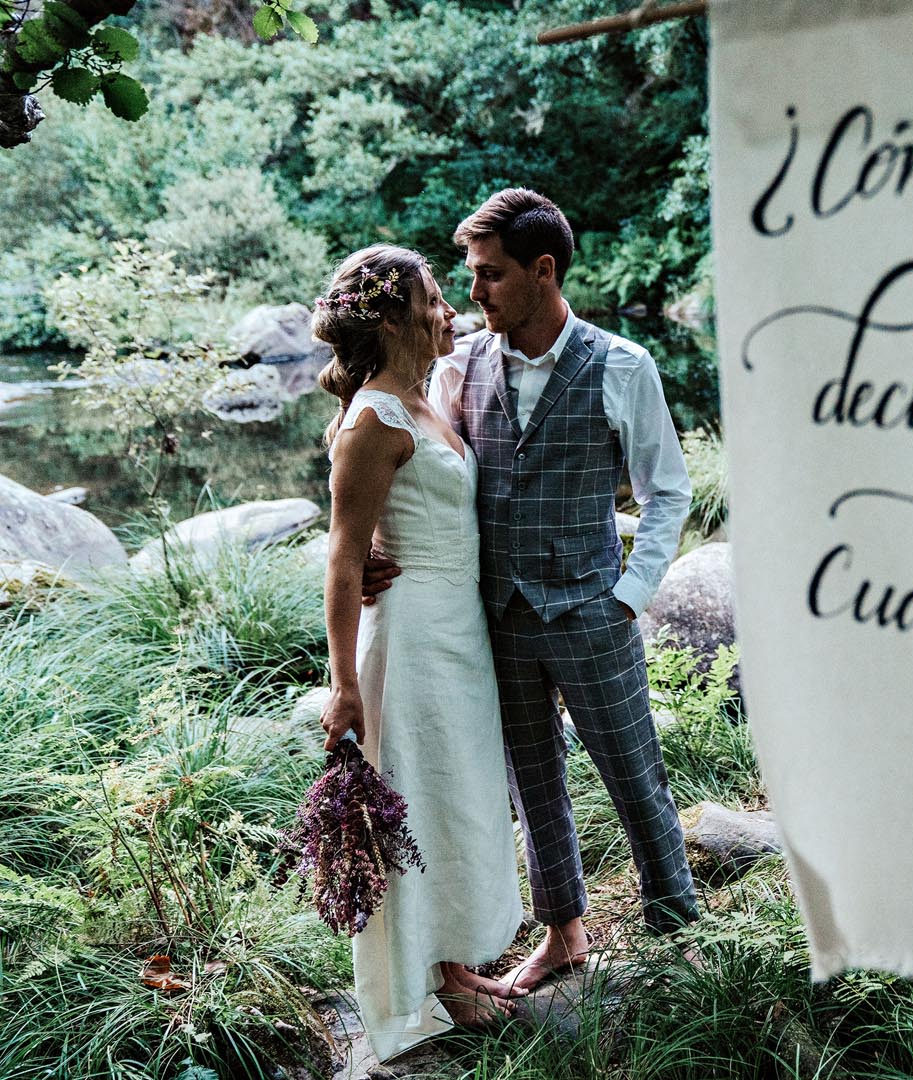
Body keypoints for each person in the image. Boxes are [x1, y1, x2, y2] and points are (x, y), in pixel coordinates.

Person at [369, 188, 699, 992]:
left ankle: (679, 930)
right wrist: (374, 538)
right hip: (499, 617)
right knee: (533, 782)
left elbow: (668, 491)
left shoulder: (623, 365)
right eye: (470, 275)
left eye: (490, 274)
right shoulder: (459, 367)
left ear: (542, 271)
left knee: (634, 772)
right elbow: (408, 451)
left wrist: (630, 593)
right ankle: (564, 933)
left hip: (593, 612)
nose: (473, 292)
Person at [314, 243, 526, 1057]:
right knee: (421, 803)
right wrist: (343, 685)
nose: (451, 310)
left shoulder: (424, 395)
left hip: (457, 630)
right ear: (396, 320)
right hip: (407, 639)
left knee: (454, 796)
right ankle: (434, 983)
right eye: (435, 299)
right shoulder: (375, 418)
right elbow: (343, 558)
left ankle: (456, 962)